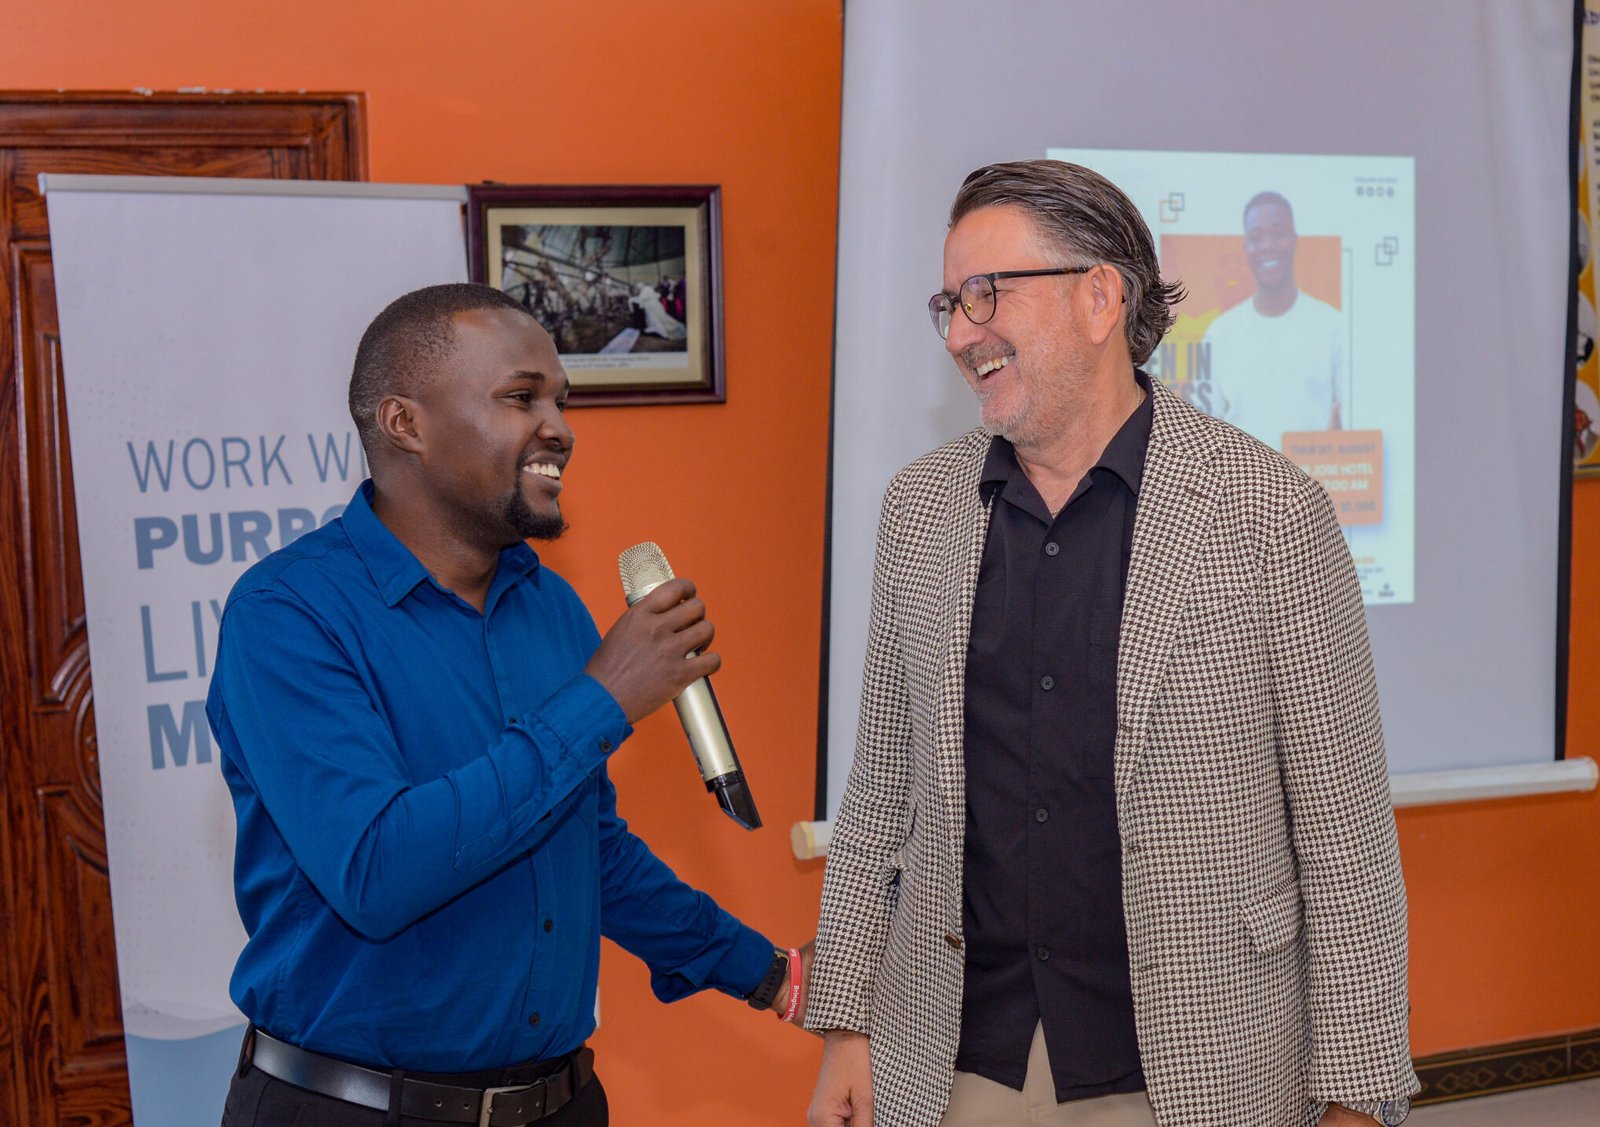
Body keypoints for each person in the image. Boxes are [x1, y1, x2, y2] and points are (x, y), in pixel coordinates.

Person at [805, 161, 1416, 1127]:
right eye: (950, 304)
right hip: (960, 1054)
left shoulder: (1270, 513)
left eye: (986, 293)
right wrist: (847, 1021)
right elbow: (882, 786)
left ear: (1100, 297)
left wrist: (1357, 1095)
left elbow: (1346, 836)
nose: (960, 334)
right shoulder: (920, 511)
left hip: (1197, 1066)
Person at [208, 283, 809, 1127]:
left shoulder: (550, 608)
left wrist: (772, 974)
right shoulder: (287, 613)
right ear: (405, 423)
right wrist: (602, 698)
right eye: (522, 397)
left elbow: (586, 848)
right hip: (355, 1109)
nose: (559, 427)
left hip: (559, 1102)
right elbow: (376, 869)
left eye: (561, 401)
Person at [1193, 191, 1346, 446]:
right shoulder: (1219, 334)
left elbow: (1349, 419)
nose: (1268, 246)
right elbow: (1203, 433)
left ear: (1294, 240)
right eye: (1256, 238)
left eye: (1278, 233)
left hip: (1314, 471)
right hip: (1241, 472)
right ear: (1246, 248)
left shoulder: (1333, 326)